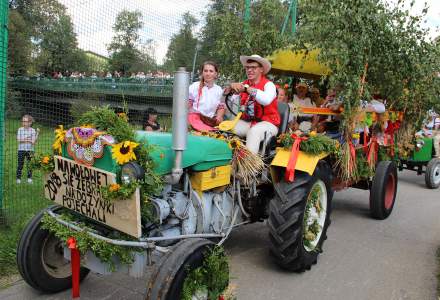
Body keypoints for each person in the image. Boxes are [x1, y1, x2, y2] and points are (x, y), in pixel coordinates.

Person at [225, 54, 280, 154]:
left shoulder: (269, 85)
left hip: (269, 123)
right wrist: (231, 88)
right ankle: (225, 161)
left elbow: (266, 100)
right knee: (226, 128)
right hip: (248, 122)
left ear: (261, 69)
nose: (249, 70)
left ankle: (249, 167)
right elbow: (230, 99)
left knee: (254, 132)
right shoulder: (244, 83)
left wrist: (246, 89)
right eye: (247, 67)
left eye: (253, 67)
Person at [188, 61, 225, 131]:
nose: (208, 74)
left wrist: (219, 117)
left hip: (210, 121)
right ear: (202, 73)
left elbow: (221, 107)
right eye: (205, 71)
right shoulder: (194, 86)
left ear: (216, 74)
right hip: (195, 119)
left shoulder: (219, 90)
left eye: (211, 71)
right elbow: (187, 105)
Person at [16, 115, 39, 184]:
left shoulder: (32, 130)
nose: (24, 123)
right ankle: (18, 178)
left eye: (25, 121)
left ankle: (29, 178)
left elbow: (33, 142)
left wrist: (37, 133)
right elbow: (19, 140)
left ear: (30, 122)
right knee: (20, 164)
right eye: (23, 121)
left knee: (30, 165)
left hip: (30, 150)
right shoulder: (20, 129)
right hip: (21, 150)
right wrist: (28, 139)